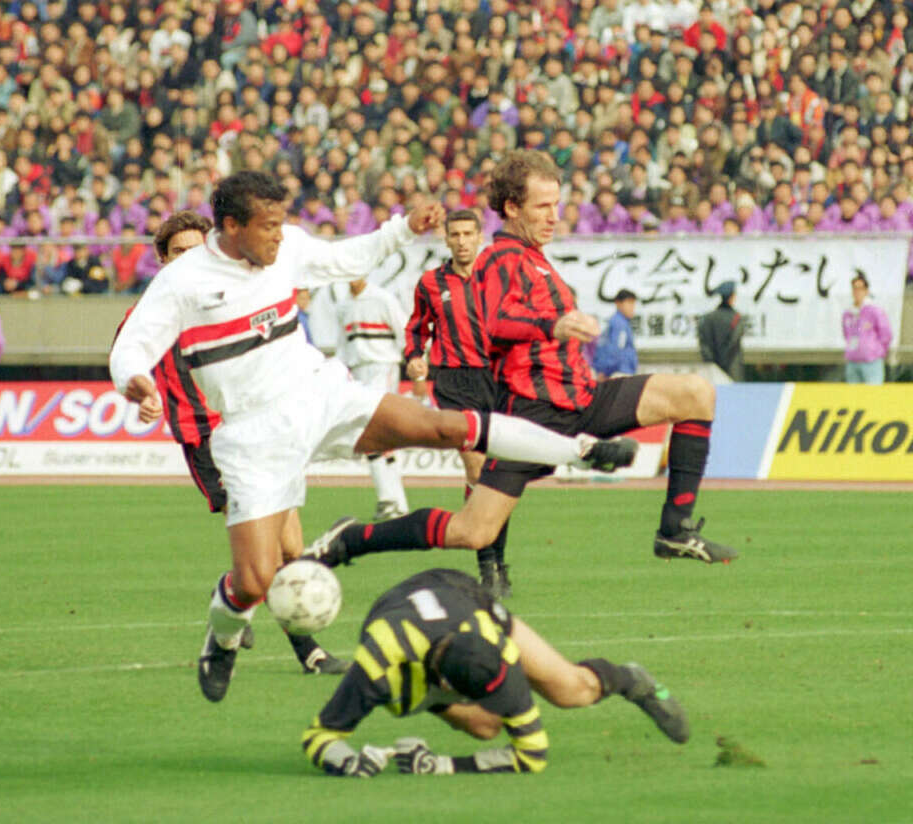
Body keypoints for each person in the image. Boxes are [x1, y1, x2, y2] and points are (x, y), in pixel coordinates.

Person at [110, 171, 635, 706]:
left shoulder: (285, 246)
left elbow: (349, 259)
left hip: (320, 394)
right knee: (254, 580)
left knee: (444, 426)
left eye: (280, 222)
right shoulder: (182, 282)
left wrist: (403, 229)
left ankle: (582, 449)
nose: (278, 235)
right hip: (253, 435)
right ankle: (221, 640)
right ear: (231, 226)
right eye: (267, 226)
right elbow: (131, 348)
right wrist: (134, 379)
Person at [307, 151, 736, 572]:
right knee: (471, 532)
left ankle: (675, 530)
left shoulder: (534, 258)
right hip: (531, 419)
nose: (554, 216)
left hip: (583, 401)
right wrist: (554, 326)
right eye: (543, 206)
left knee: (695, 394)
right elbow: (494, 323)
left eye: (558, 205)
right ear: (512, 208)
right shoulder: (499, 258)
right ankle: (350, 540)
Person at [118, 210, 347, 680]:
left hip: (261, 427)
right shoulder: (154, 313)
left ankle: (231, 595)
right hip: (210, 440)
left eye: (194, 250)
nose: (187, 260)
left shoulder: (230, 296)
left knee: (290, 546)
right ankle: (307, 650)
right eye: (176, 252)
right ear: (162, 259)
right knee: (277, 548)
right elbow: (131, 362)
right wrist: (144, 396)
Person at [301, 567, 689, 777]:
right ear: (450, 688)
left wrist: (440, 766)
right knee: (484, 726)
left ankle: (630, 679)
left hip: (463, 598)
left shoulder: (494, 646)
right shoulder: (379, 665)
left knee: (570, 691)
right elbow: (318, 737)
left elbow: (533, 756)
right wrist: (348, 763)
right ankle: (439, 703)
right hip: (404, 623)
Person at [404, 209, 514, 598]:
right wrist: (415, 354)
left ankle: (498, 559)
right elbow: (417, 328)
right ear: (446, 239)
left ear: (480, 236)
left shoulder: (499, 278)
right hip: (454, 381)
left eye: (469, 233)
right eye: (456, 234)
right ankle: (488, 568)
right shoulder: (431, 283)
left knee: (502, 476)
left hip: (498, 378)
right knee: (478, 466)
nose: (463, 240)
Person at [335, 276, 411, 521]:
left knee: (376, 429)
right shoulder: (344, 305)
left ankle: (390, 500)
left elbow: (404, 332)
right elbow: (343, 347)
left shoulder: (382, 298)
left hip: (382, 366)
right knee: (372, 437)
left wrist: (414, 366)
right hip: (359, 372)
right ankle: (394, 502)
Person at [842, 271, 892, 384]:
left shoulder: (874, 311)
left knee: (873, 396)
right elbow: (846, 334)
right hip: (853, 360)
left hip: (871, 361)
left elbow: (886, 334)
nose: (857, 292)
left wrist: (877, 351)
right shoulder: (848, 313)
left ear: (866, 291)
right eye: (854, 288)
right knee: (853, 398)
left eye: (860, 288)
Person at [697, 281, 745, 382]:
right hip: (733, 372)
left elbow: (704, 345)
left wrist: (713, 362)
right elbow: (733, 342)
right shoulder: (737, 318)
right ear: (732, 297)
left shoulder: (707, 318)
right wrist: (724, 361)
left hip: (713, 372)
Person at [592, 289, 639, 380]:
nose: (632, 307)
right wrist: (605, 372)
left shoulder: (620, 322)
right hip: (619, 373)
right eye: (629, 303)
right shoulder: (619, 323)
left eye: (633, 304)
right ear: (618, 303)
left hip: (619, 372)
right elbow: (616, 350)